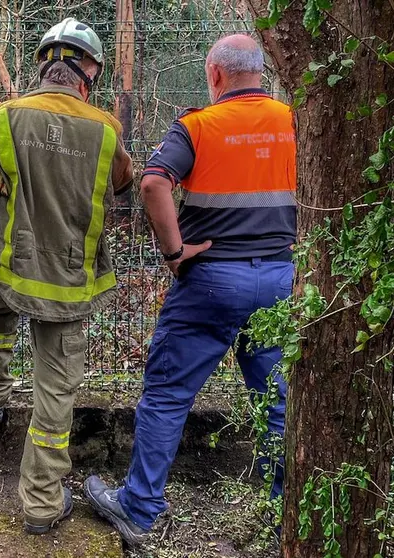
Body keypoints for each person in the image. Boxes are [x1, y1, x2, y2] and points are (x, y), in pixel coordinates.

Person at [84, 34, 297, 546]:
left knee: (168, 394)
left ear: (216, 75)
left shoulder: (198, 126)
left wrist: (175, 252)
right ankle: (285, 512)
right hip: (280, 279)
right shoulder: (295, 122)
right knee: (277, 402)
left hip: (210, 281)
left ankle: (138, 507)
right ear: (260, 72)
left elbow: (154, 182)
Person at [0, 18, 134, 534]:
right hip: (68, 281)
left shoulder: (2, 119)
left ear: (45, 63)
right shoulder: (106, 129)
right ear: (87, 70)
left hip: (9, 267)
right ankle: (43, 506)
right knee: (55, 393)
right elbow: (124, 181)